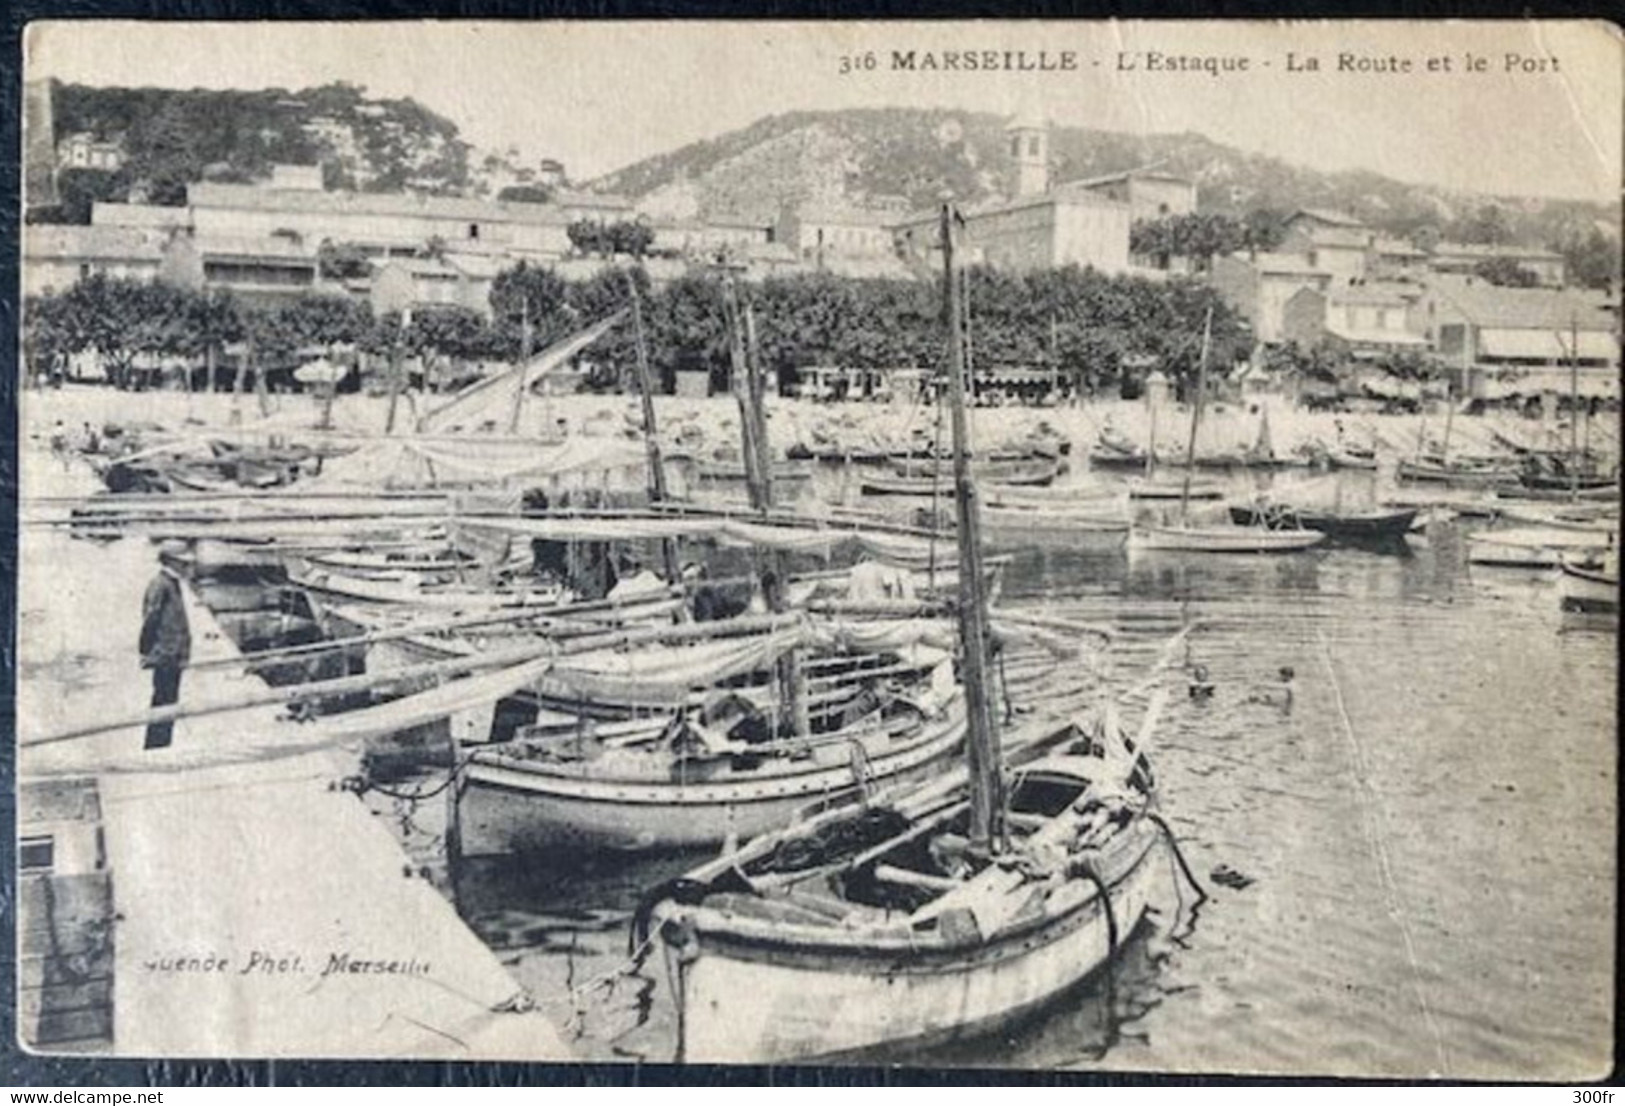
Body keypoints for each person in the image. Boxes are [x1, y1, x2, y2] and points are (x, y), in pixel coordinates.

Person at [139, 540, 192, 750]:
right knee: (163, 700)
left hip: (174, 653)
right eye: (182, 563)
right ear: (171, 562)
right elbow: (150, 619)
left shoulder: (173, 583)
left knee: (170, 700)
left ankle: (162, 743)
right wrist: (147, 650)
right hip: (165, 653)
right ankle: (156, 745)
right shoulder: (160, 584)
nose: (186, 567)